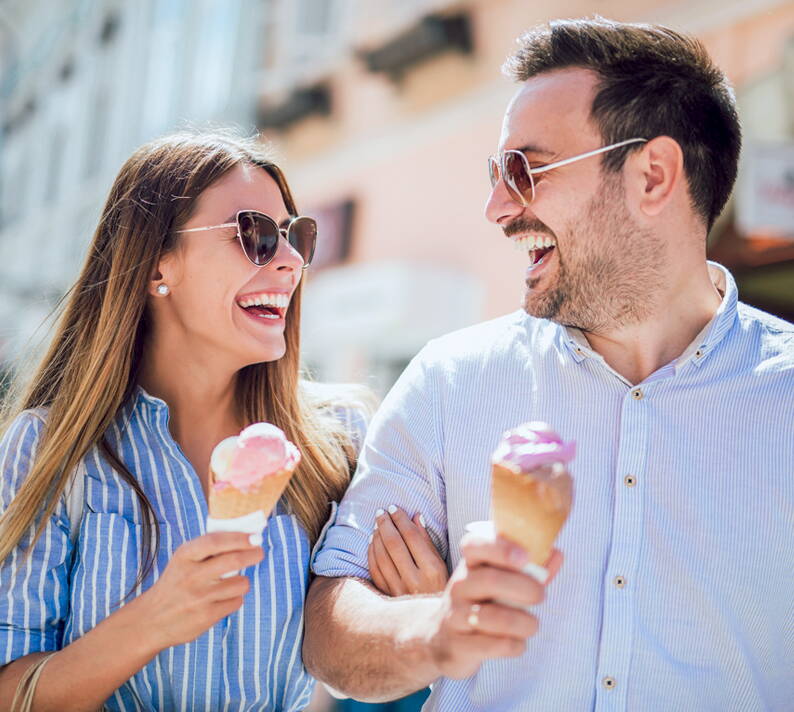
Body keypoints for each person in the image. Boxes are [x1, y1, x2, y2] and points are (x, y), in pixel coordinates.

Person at [304, 18, 794, 711]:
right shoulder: (450, 381)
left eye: (523, 169)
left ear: (652, 175)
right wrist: (432, 632)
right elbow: (329, 633)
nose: (497, 207)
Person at [0, 131, 446, 711]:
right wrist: (152, 621)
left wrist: (422, 619)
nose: (289, 261)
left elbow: (364, 674)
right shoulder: (49, 448)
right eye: (255, 234)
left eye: (297, 237)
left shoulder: (343, 441)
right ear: (156, 265)